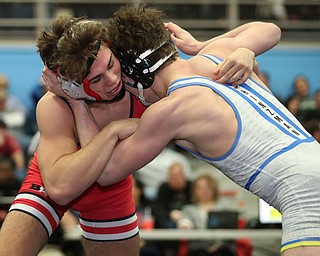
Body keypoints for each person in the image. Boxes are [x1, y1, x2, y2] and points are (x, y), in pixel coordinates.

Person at [66, 4, 320, 255]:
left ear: (135, 75)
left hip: (303, 194)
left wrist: (78, 102)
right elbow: (271, 29)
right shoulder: (219, 52)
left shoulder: (170, 110)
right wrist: (212, 47)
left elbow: (105, 171)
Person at [0, 14, 257, 256]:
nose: (113, 79)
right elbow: (61, 188)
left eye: (112, 64)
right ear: (72, 83)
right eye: (97, 79)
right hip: (51, 181)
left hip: (111, 187)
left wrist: (244, 52)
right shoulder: (57, 105)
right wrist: (84, 108)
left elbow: (261, 35)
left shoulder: (144, 87)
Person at [177, 174, 236, 256]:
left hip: (221, 248)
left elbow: (229, 231)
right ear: (194, 190)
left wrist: (218, 245)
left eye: (207, 187)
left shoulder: (224, 208)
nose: (204, 191)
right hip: (198, 249)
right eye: (199, 188)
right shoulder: (189, 209)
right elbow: (185, 222)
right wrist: (184, 224)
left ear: (214, 190)